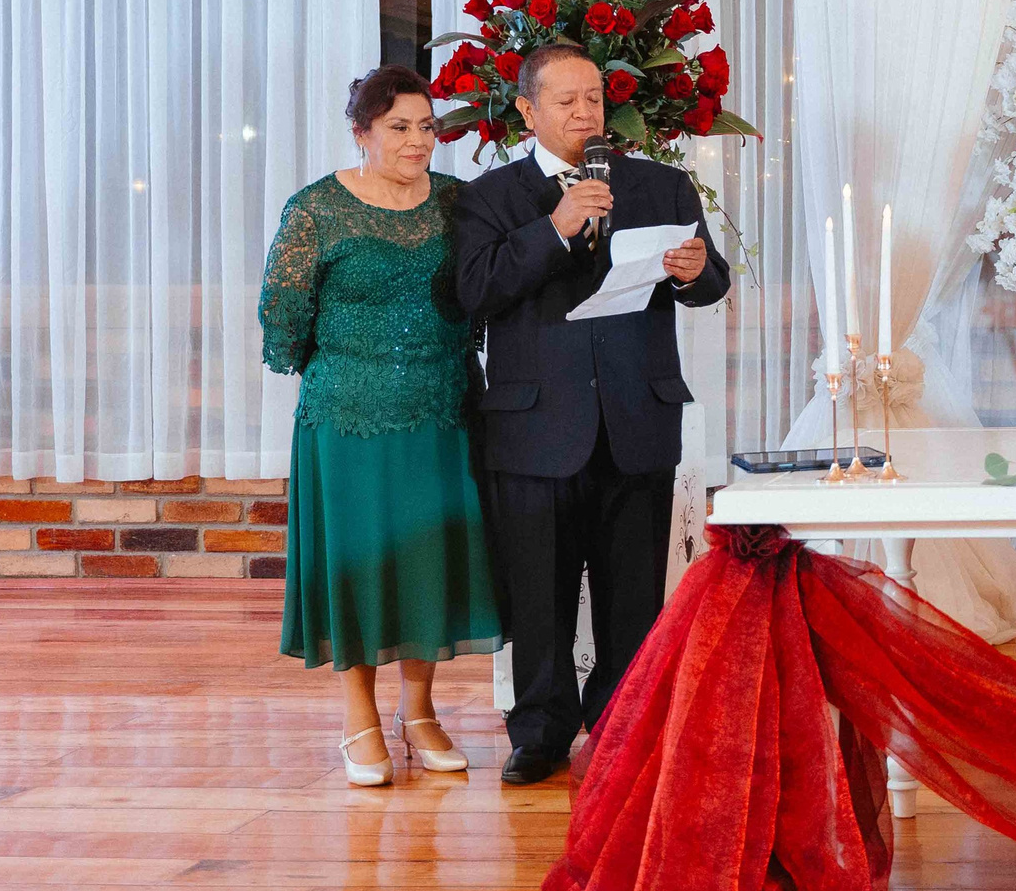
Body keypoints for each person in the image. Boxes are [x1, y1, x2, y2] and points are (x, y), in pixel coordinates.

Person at [453, 43, 730, 786]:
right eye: (567, 101)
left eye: (594, 99)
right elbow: (475, 292)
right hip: (535, 426)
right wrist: (555, 225)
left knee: (633, 591)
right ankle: (540, 732)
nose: (585, 113)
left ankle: (623, 726)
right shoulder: (491, 197)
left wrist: (699, 271)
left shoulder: (661, 185)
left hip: (637, 416)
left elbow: (711, 282)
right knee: (538, 593)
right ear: (527, 110)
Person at [260, 65, 504, 787]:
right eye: (399, 126)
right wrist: (349, 367)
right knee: (361, 563)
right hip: (349, 416)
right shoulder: (316, 209)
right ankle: (359, 717)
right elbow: (282, 318)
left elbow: (489, 290)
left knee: (428, 560)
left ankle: (420, 710)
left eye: (427, 126)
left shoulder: (460, 203)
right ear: (362, 131)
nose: (417, 140)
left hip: (444, 409)